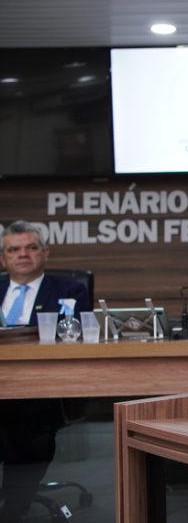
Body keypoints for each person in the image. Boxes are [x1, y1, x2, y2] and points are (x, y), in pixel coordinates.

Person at [0, 220, 92, 521]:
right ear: (3, 259)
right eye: (14, 249)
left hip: (43, 388)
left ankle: (13, 509)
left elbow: (78, 337)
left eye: (31, 247)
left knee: (26, 426)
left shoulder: (71, 290)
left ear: (45, 253)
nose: (22, 254)